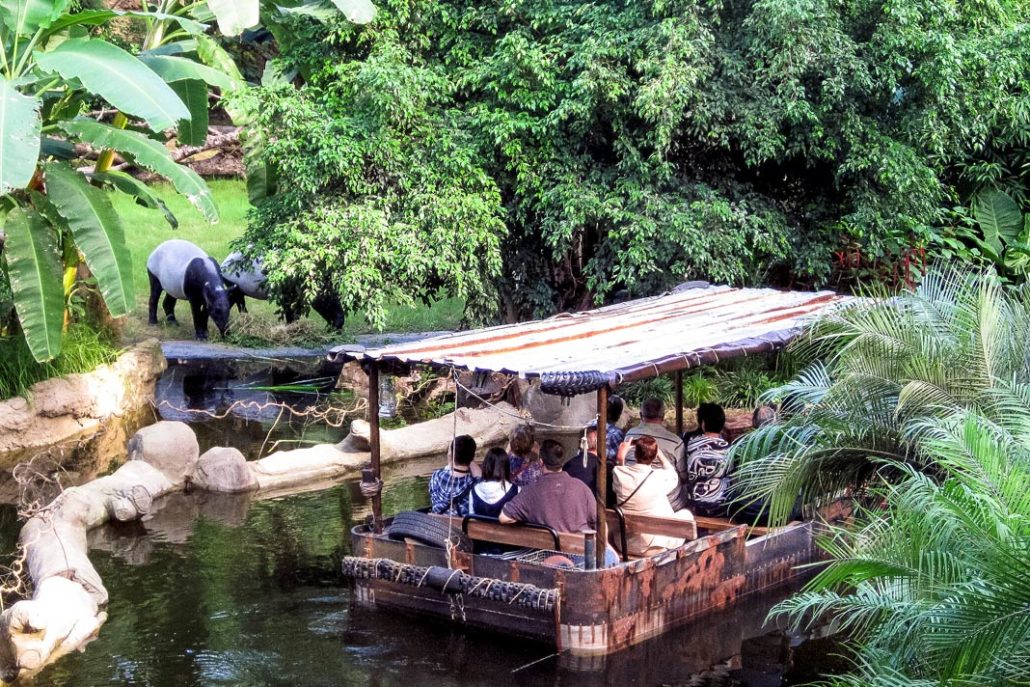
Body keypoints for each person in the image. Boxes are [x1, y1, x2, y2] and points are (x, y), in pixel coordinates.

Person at [500, 440, 619, 567]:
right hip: (583, 552)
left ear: (541, 463)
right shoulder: (581, 486)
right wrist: (606, 545)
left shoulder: (531, 490)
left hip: (551, 554)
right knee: (612, 557)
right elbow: (600, 522)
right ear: (562, 462)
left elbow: (504, 517)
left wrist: (526, 518)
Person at [612, 436, 694, 556]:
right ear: (654, 456)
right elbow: (673, 475)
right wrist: (660, 454)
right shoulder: (660, 477)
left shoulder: (619, 474)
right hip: (654, 545)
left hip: (624, 543)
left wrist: (620, 459)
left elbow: (620, 470)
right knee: (686, 515)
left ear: (635, 454)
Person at [624, 397, 688, 510]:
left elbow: (622, 463)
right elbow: (683, 476)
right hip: (666, 502)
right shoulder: (675, 441)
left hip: (633, 496)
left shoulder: (630, 435)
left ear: (640, 415)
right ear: (663, 416)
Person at [685, 403, 731, 516]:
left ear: (703, 423)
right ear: (722, 423)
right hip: (722, 506)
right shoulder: (729, 448)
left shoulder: (690, 444)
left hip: (696, 505)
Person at [563, 422, 616, 506]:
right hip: (598, 514)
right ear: (602, 444)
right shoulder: (607, 467)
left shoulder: (568, 465)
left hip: (574, 511)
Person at [429, 435, 478, 516]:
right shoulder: (475, 484)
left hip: (437, 524)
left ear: (451, 454)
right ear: (472, 457)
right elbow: (480, 476)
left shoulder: (436, 476)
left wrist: (451, 457)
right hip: (460, 526)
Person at [469, 447, 519, 517]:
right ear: (506, 467)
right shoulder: (516, 491)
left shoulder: (474, 491)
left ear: (486, 466)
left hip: (479, 527)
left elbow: (471, 518)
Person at [603, 395, 626, 462]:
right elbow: (620, 457)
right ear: (619, 414)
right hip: (605, 468)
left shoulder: (590, 424)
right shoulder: (616, 433)